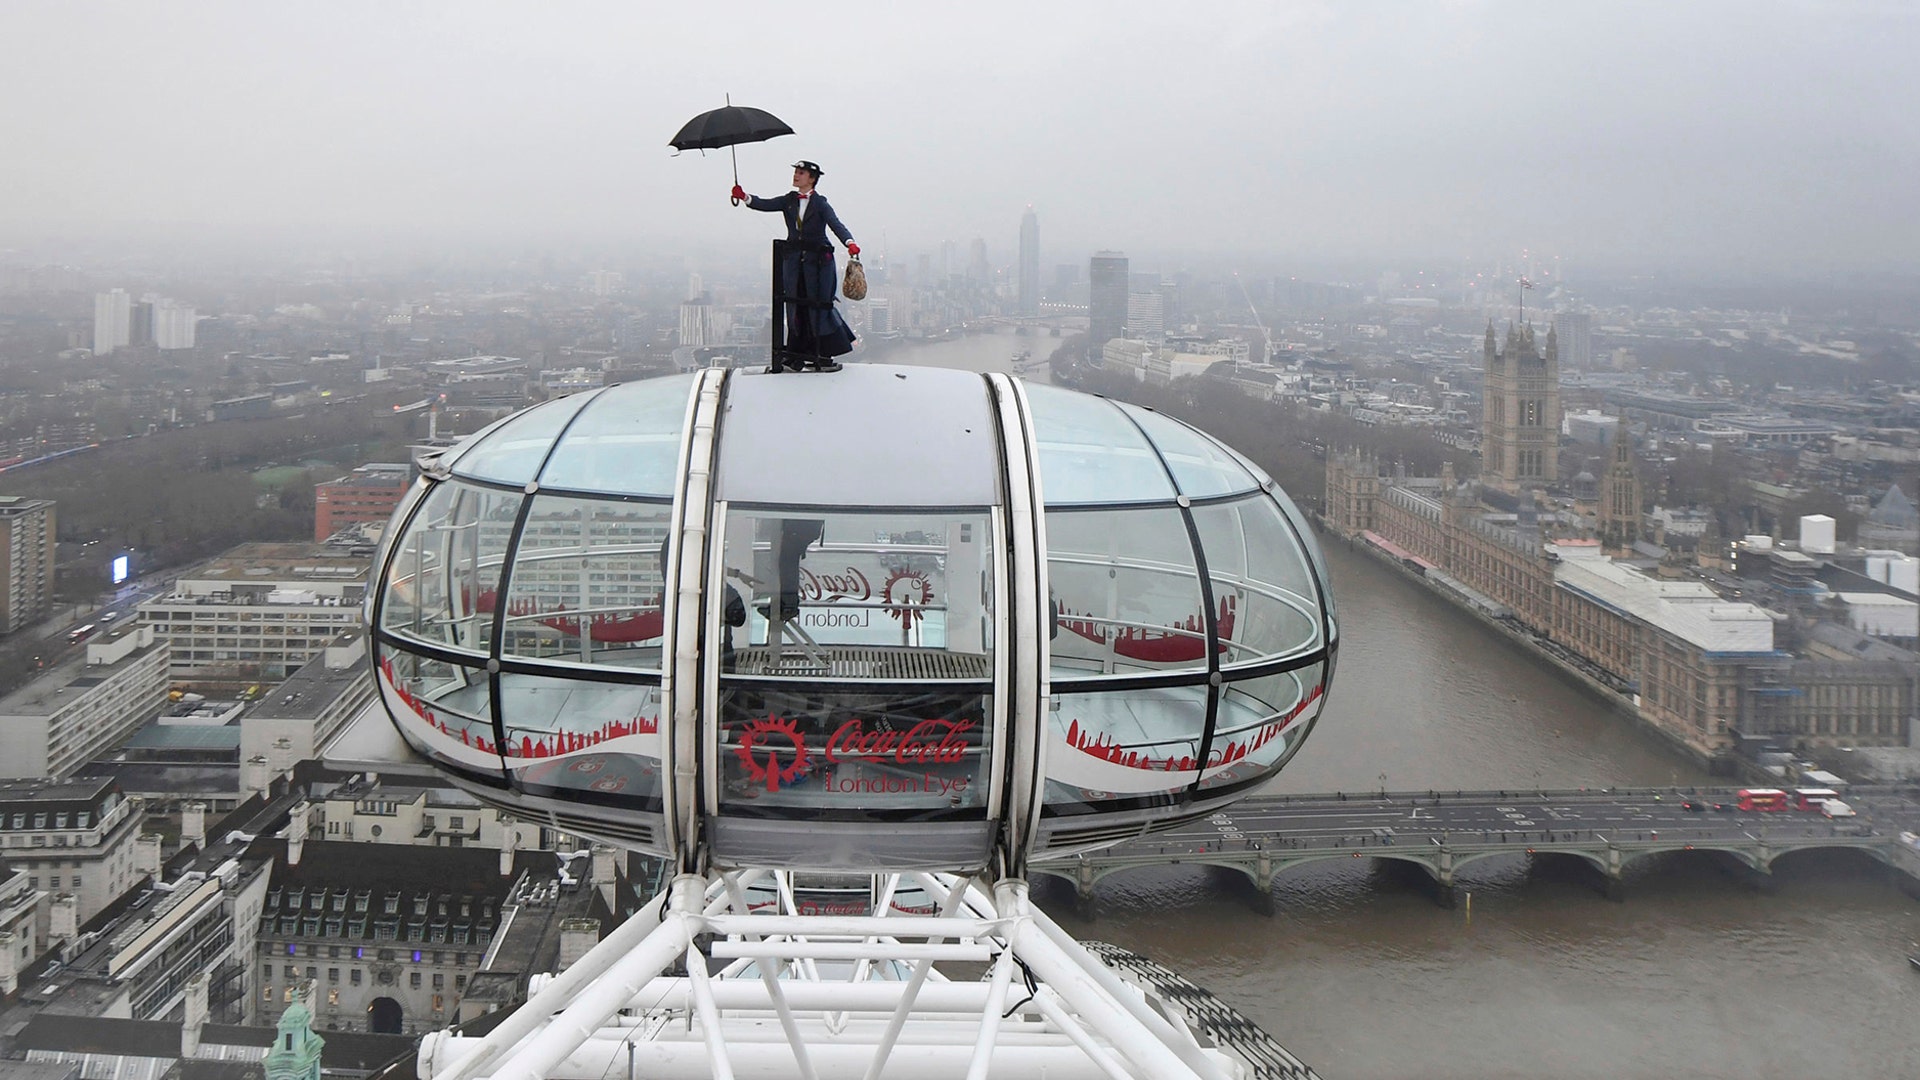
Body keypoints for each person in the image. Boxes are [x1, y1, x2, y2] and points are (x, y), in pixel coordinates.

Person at [733, 161, 859, 372]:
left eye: (801, 173)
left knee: (818, 305)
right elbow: (766, 204)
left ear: (812, 178)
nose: (796, 176)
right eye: (795, 172)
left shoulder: (820, 204)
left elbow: (835, 224)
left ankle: (822, 354)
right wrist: (745, 196)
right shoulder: (789, 200)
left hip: (818, 264)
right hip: (793, 261)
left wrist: (849, 242)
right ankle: (795, 354)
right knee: (795, 305)